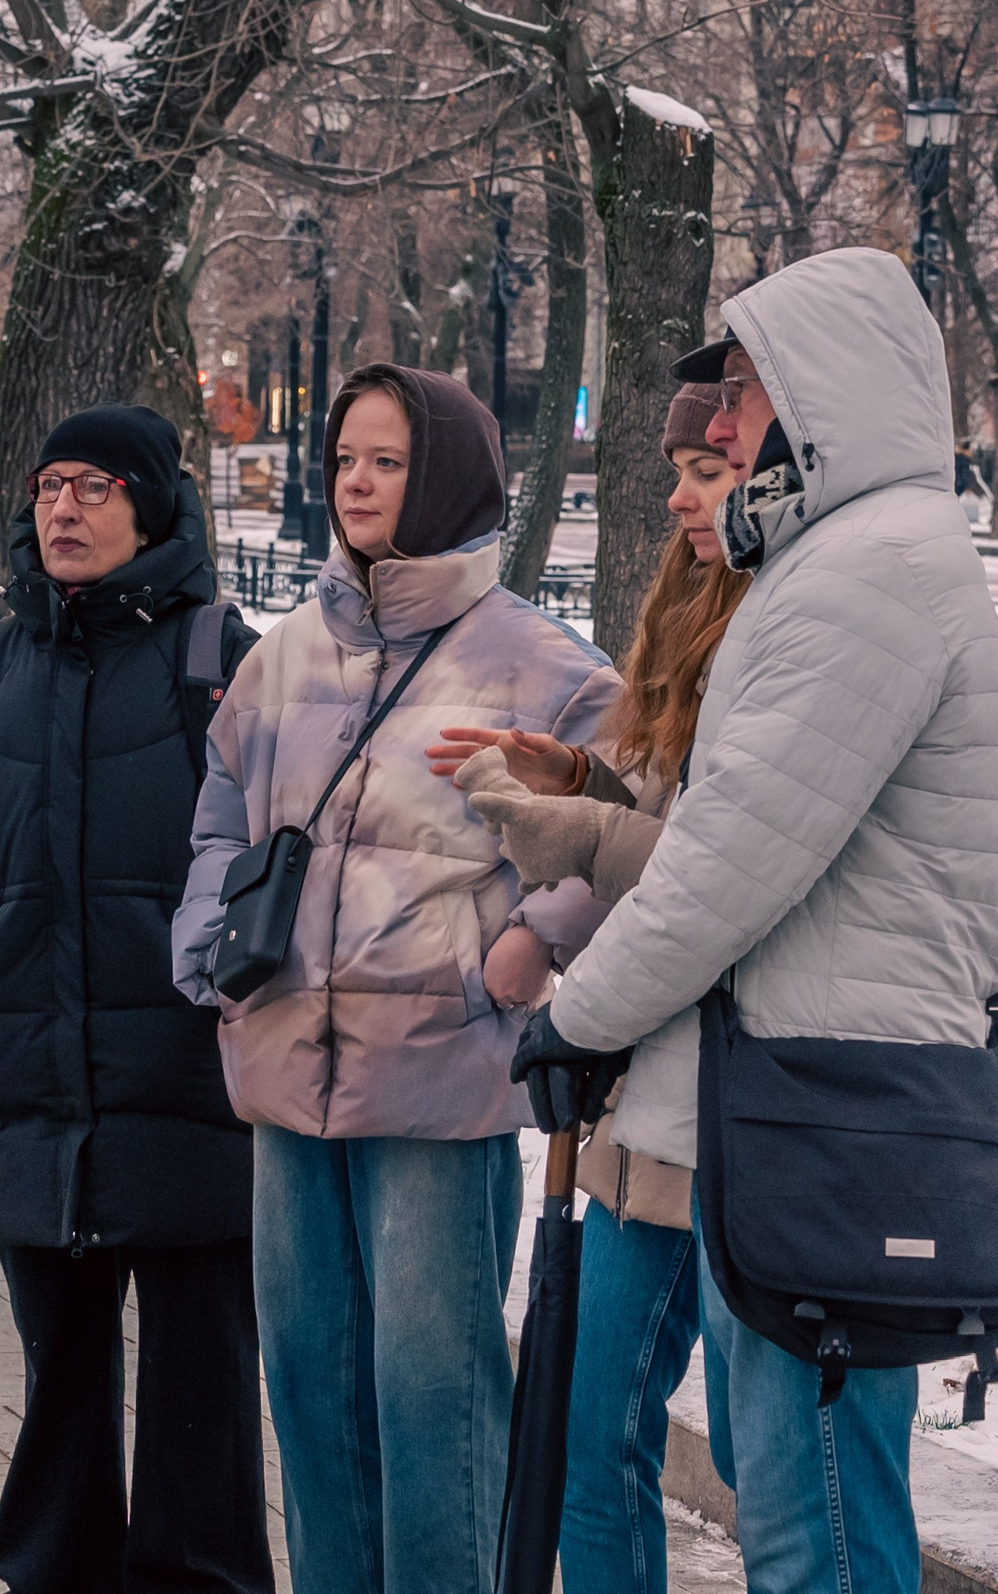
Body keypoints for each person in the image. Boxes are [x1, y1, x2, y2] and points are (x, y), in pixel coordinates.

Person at [512, 247, 998, 1594]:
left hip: (833, 1117)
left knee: (820, 1541)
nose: (721, 425)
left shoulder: (876, 571)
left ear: (824, 389)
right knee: (795, 1516)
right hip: (795, 1107)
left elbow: (728, 860)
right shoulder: (837, 562)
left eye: (741, 389)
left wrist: (576, 1015)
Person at [171, 365, 620, 1594]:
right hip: (280, 1067)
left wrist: (519, 956)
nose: (355, 484)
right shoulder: (286, 655)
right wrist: (208, 944)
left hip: (437, 1083)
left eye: (387, 461)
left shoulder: (546, 665)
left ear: (450, 478)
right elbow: (219, 820)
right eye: (344, 459)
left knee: (435, 1404)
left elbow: (625, 827)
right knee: (312, 1397)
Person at [0, 405, 272, 1594]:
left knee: (200, 1397)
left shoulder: (230, 662)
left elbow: (287, 850)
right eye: (49, 483)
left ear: (151, 504)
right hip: (30, 1088)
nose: (62, 505)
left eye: (95, 486)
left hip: (194, 1090)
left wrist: (235, 992)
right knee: (60, 1382)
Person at [427, 383, 743, 1594]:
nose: (677, 497)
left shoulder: (790, 625)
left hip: (735, 1103)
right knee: (580, 1433)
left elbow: (716, 863)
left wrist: (553, 844)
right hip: (633, 1097)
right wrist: (576, 771)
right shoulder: (683, 608)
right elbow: (650, 796)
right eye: (675, 469)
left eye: (704, 471)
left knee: (776, 1468)